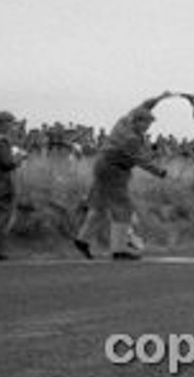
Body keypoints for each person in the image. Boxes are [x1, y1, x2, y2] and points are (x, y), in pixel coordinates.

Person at [73, 92, 171, 261]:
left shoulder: (124, 120)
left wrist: (161, 98)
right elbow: (140, 160)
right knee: (123, 209)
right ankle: (118, 250)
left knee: (99, 205)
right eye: (147, 123)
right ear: (138, 121)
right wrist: (160, 172)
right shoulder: (131, 138)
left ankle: (82, 240)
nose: (148, 127)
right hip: (115, 171)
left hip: (102, 165)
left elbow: (145, 104)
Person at [0, 110, 26, 260]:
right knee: (2, 216)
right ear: (3, 123)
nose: (13, 126)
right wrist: (19, 158)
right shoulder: (1, 141)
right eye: (11, 122)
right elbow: (7, 163)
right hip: (2, 182)